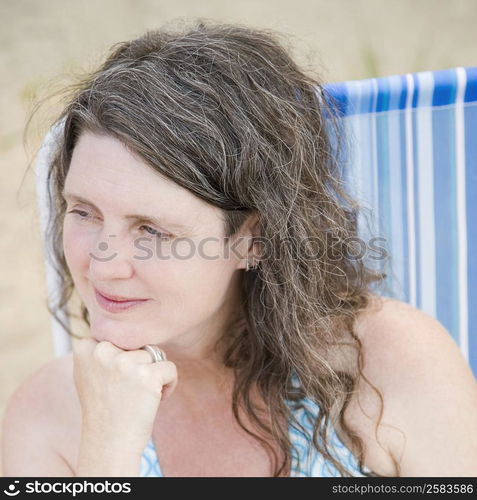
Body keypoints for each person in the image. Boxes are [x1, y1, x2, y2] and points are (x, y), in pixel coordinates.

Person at [2, 19, 477, 478]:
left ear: (253, 238)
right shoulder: (49, 415)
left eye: (151, 230)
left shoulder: (384, 367)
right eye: (83, 211)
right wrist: (106, 452)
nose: (103, 265)